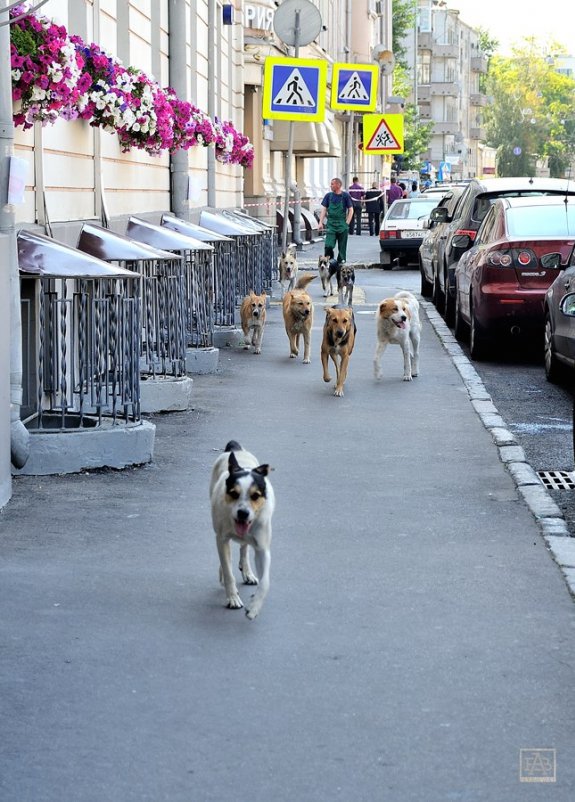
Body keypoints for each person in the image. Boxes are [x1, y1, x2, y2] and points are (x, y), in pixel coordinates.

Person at [317, 177, 354, 264]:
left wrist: (347, 223)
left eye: (332, 184)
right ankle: (329, 262)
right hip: (331, 224)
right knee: (328, 245)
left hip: (342, 224)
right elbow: (324, 209)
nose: (331, 186)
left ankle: (341, 263)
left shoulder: (345, 196)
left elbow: (351, 210)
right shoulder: (328, 196)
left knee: (342, 247)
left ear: (338, 185)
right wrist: (320, 222)